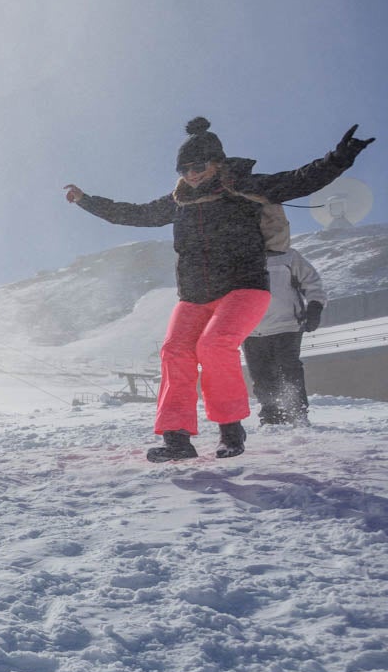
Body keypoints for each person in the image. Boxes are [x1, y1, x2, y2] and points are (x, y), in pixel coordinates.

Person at [64, 118, 373, 461]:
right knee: (175, 352)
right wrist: (85, 200)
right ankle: (177, 439)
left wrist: (340, 157)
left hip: (244, 287)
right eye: (184, 169)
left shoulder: (243, 188)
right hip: (195, 294)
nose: (192, 174)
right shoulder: (177, 201)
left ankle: (230, 430)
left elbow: (298, 181)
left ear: (217, 163)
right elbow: (132, 213)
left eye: (198, 166)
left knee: (213, 346)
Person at [243, 243, 327, 427]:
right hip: (251, 330)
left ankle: (297, 414)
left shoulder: (288, 256)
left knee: (289, 371)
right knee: (261, 376)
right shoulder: (238, 258)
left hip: (287, 325)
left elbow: (311, 281)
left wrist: (315, 306)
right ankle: (271, 418)